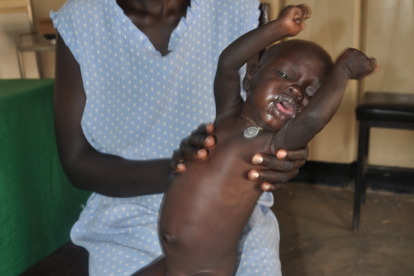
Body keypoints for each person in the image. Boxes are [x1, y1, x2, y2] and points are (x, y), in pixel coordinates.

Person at [51, 0, 309, 275]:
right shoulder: (81, 20)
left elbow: (262, 121)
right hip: (125, 217)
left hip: (232, 211)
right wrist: (186, 172)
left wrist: (284, 149)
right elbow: (76, 163)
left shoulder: (237, 9)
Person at [132, 4, 377, 276]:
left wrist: (343, 70)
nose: (296, 90)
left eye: (311, 92)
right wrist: (279, 28)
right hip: (169, 261)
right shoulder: (227, 113)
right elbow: (227, 63)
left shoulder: (272, 145)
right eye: (284, 75)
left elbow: (312, 119)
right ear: (250, 77)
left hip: (204, 270)